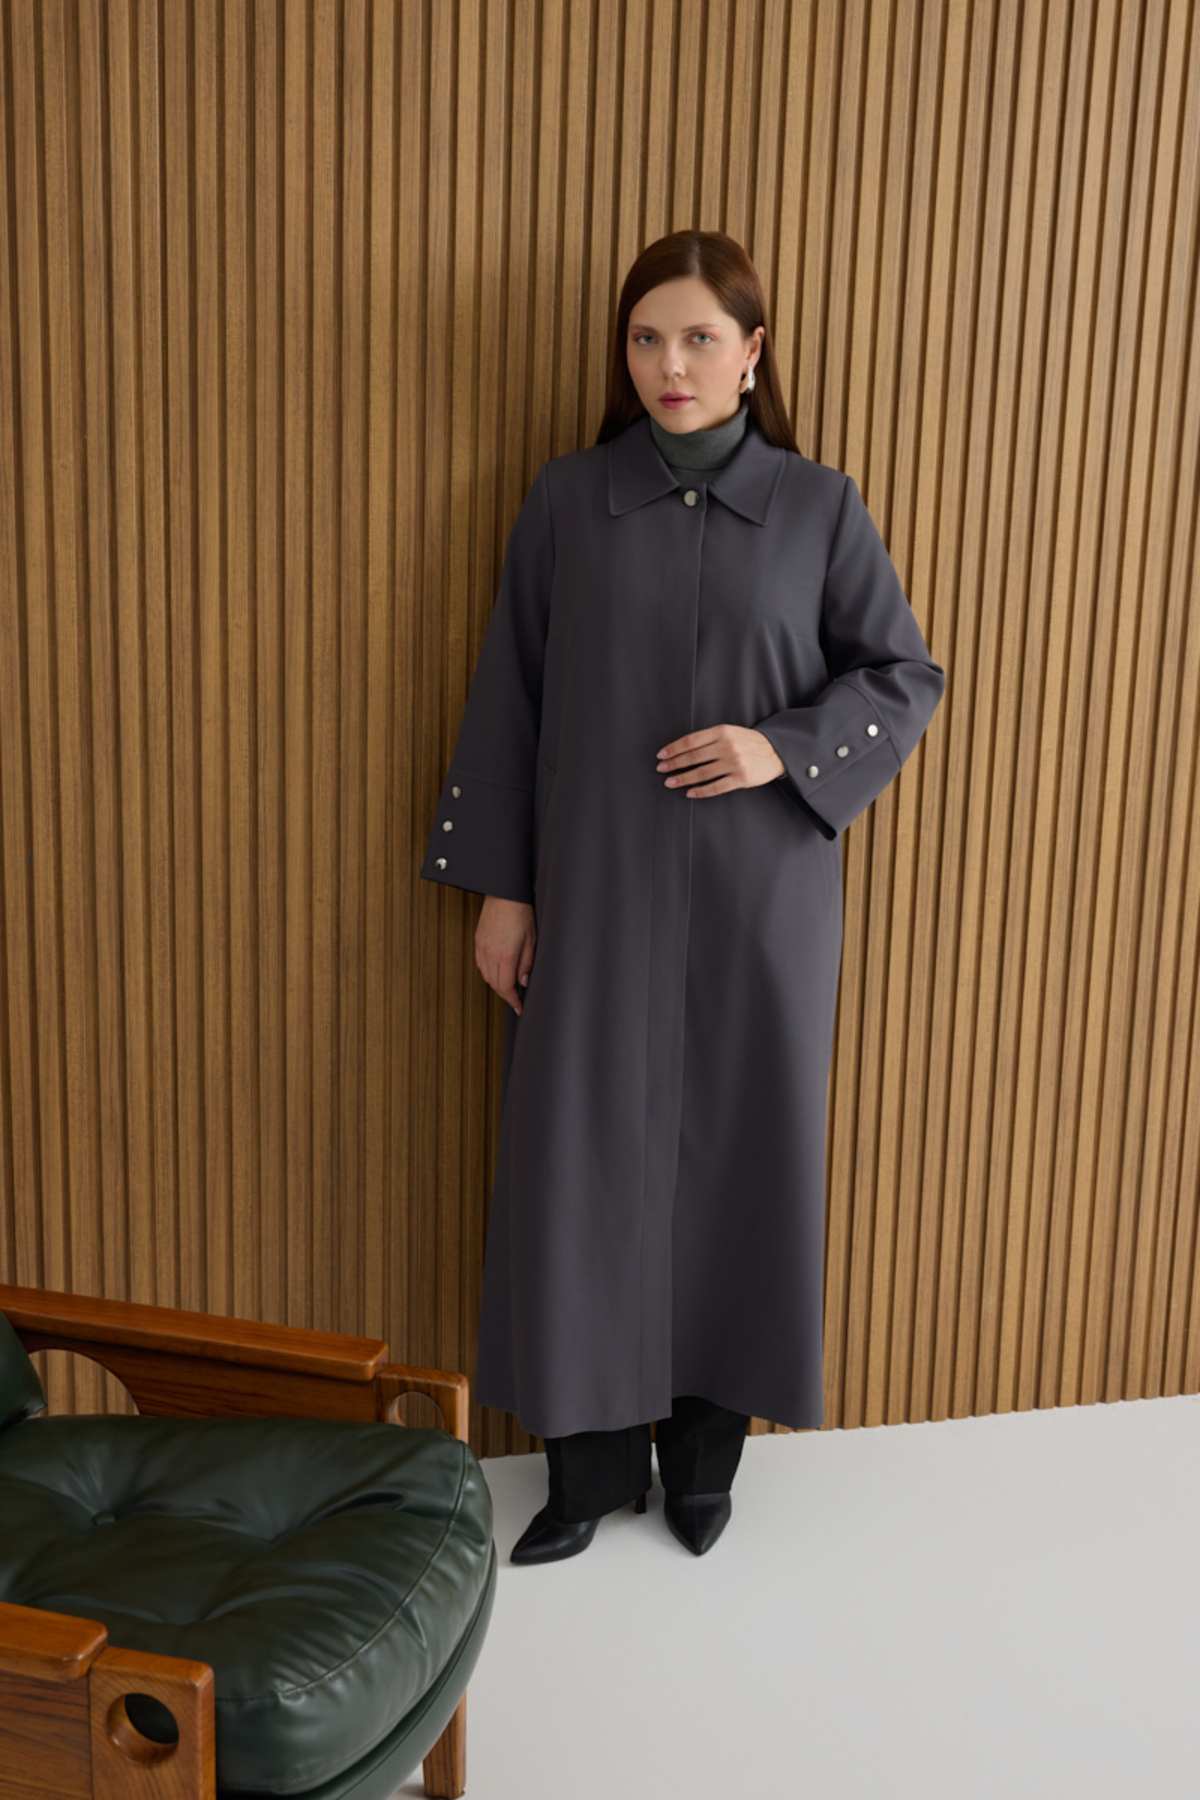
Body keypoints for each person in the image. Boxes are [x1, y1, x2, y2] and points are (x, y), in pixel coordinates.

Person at [420, 230, 946, 1564]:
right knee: (580, 1163)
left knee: (740, 1168)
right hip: (593, 893)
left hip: (762, 904)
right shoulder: (567, 500)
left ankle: (705, 1467)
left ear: (752, 352)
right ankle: (588, 1474)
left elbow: (901, 676)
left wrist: (783, 747)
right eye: (647, 338)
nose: (672, 364)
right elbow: (509, 700)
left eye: (701, 338)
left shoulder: (820, 508)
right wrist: (502, 893)